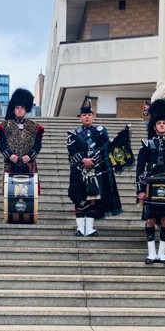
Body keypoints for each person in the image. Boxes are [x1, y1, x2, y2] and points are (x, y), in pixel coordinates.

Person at [136, 98, 165, 264]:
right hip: (150, 185)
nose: (162, 125)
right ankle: (151, 253)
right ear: (154, 126)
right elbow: (139, 169)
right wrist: (140, 190)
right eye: (159, 123)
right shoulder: (146, 145)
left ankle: (162, 253)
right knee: (150, 219)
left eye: (164, 123)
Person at [67, 97, 123, 236]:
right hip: (78, 170)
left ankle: (89, 228)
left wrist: (92, 161)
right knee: (79, 198)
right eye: (84, 115)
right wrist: (84, 160)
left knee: (93, 198)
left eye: (89, 115)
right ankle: (80, 228)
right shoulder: (73, 134)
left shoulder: (100, 132)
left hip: (95, 169)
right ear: (80, 117)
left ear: (93, 117)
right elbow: (72, 151)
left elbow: (105, 150)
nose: (86, 117)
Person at [0, 88, 44, 174]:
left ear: (26, 109)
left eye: (22, 108)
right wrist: (9, 155)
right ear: (13, 109)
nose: (19, 110)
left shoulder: (36, 127)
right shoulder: (3, 126)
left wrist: (30, 156)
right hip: (10, 164)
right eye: (17, 107)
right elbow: (1, 143)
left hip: (29, 165)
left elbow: (38, 144)